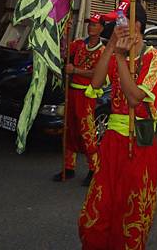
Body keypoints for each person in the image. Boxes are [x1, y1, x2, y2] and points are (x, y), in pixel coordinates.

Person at [79, 1, 157, 250]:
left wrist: (120, 56)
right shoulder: (116, 52)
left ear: (136, 24)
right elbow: (96, 83)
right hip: (112, 143)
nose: (116, 26)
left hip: (139, 143)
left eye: (121, 21)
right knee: (99, 209)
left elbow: (135, 97)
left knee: (131, 213)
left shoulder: (153, 56)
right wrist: (111, 49)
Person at [53, 13, 105, 186]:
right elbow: (63, 53)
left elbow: (98, 73)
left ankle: (94, 168)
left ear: (102, 28)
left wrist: (75, 70)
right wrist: (63, 33)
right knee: (68, 129)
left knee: (87, 132)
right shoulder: (78, 44)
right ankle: (69, 167)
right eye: (90, 24)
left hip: (87, 96)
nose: (91, 27)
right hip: (72, 93)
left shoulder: (103, 51)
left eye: (95, 24)